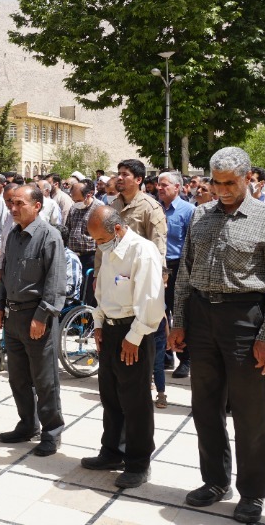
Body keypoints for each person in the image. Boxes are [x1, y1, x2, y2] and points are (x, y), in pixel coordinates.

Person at [169, 147, 265, 524]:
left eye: (229, 183)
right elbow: (185, 271)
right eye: (216, 183)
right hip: (202, 317)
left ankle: (252, 492)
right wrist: (179, 320)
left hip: (244, 319)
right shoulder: (201, 215)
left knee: (250, 412)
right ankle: (215, 481)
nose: (221, 190)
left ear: (248, 178)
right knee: (205, 406)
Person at [82, 205, 164, 488]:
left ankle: (138, 463)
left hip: (134, 333)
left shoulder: (142, 251)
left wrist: (134, 337)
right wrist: (99, 323)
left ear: (117, 229)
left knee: (135, 402)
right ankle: (112, 451)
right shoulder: (110, 249)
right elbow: (102, 292)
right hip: (111, 330)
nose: (98, 245)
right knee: (111, 396)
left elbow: (151, 301)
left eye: (100, 239)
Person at [0, 184, 76, 457]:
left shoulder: (49, 236)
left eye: (20, 204)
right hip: (13, 318)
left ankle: (52, 432)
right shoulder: (13, 235)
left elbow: (55, 283)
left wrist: (42, 316)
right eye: (11, 204)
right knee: (18, 378)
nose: (13, 208)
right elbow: (6, 274)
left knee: (45, 380)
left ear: (37, 206)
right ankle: (27, 424)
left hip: (36, 317)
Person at [156, 171, 195, 383]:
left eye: (164, 185)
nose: (159, 188)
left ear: (177, 187)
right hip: (157, 266)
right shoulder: (155, 209)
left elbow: (192, 244)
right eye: (158, 185)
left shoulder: (188, 211)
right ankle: (165, 355)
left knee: (179, 312)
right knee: (159, 312)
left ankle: (185, 359)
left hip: (178, 266)